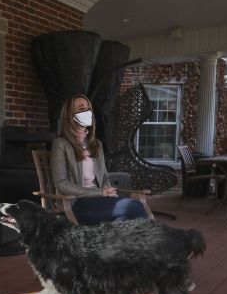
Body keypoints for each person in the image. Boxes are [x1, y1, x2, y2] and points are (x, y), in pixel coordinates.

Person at [50, 94, 152, 225]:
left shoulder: (96, 144)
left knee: (123, 220)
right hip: (76, 203)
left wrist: (108, 191)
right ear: (70, 115)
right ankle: (152, 244)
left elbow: (104, 177)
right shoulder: (60, 144)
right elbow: (61, 184)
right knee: (133, 207)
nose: (88, 112)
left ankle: (117, 243)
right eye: (82, 109)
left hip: (99, 200)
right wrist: (99, 192)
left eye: (89, 109)